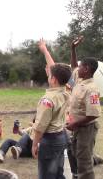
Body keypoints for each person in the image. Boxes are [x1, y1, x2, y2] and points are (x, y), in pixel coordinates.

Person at [32, 38, 72, 179]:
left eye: (49, 74)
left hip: (49, 140)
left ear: (53, 79)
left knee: (47, 175)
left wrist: (35, 144)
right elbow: (55, 69)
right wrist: (45, 50)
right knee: (58, 173)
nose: (48, 73)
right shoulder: (66, 91)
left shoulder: (47, 100)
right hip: (61, 137)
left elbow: (41, 126)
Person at [66, 35, 102, 179]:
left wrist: (74, 123)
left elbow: (93, 114)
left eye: (81, 66)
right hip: (76, 127)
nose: (77, 68)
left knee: (84, 162)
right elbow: (73, 66)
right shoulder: (80, 80)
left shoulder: (91, 89)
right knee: (74, 154)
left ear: (86, 69)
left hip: (86, 129)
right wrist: (73, 49)